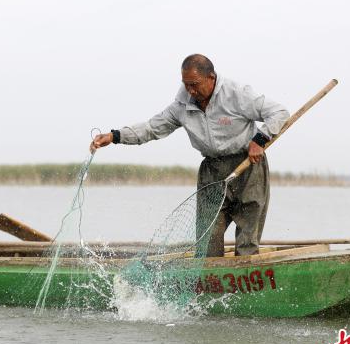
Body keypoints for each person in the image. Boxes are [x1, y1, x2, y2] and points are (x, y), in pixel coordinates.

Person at [90, 54, 289, 257]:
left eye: (195, 84)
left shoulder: (236, 94)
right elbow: (151, 128)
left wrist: (260, 139)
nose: (191, 91)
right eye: (186, 85)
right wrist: (114, 136)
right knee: (206, 244)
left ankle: (246, 282)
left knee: (247, 242)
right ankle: (210, 285)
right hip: (212, 172)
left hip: (247, 165)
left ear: (211, 78)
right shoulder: (181, 105)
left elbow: (279, 112)